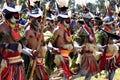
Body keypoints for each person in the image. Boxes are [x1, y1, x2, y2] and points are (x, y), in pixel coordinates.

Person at [0, 2, 25, 80]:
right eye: (15, 15)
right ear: (8, 15)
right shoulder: (1, 27)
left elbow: (21, 46)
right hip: (6, 64)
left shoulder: (17, 28)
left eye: (17, 15)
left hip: (18, 63)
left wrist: (31, 52)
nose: (17, 17)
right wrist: (6, 46)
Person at [24, 8, 49, 80]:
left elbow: (43, 43)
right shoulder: (28, 31)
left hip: (42, 59)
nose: (38, 20)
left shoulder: (39, 30)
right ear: (31, 19)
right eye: (36, 18)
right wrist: (31, 52)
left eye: (39, 18)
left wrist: (42, 37)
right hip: (34, 60)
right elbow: (23, 46)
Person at [50, 12, 74, 79]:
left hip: (66, 55)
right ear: (62, 20)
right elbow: (51, 43)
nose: (68, 21)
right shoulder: (57, 30)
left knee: (66, 75)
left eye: (68, 19)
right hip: (59, 55)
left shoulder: (66, 30)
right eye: (66, 20)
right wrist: (53, 50)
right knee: (64, 75)